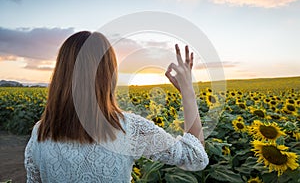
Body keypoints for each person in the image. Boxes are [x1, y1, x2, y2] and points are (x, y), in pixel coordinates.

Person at [24, 31, 209, 182]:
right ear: (108, 75)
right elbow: (196, 157)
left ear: (61, 75)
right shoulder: (129, 129)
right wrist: (187, 91)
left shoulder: (40, 134)